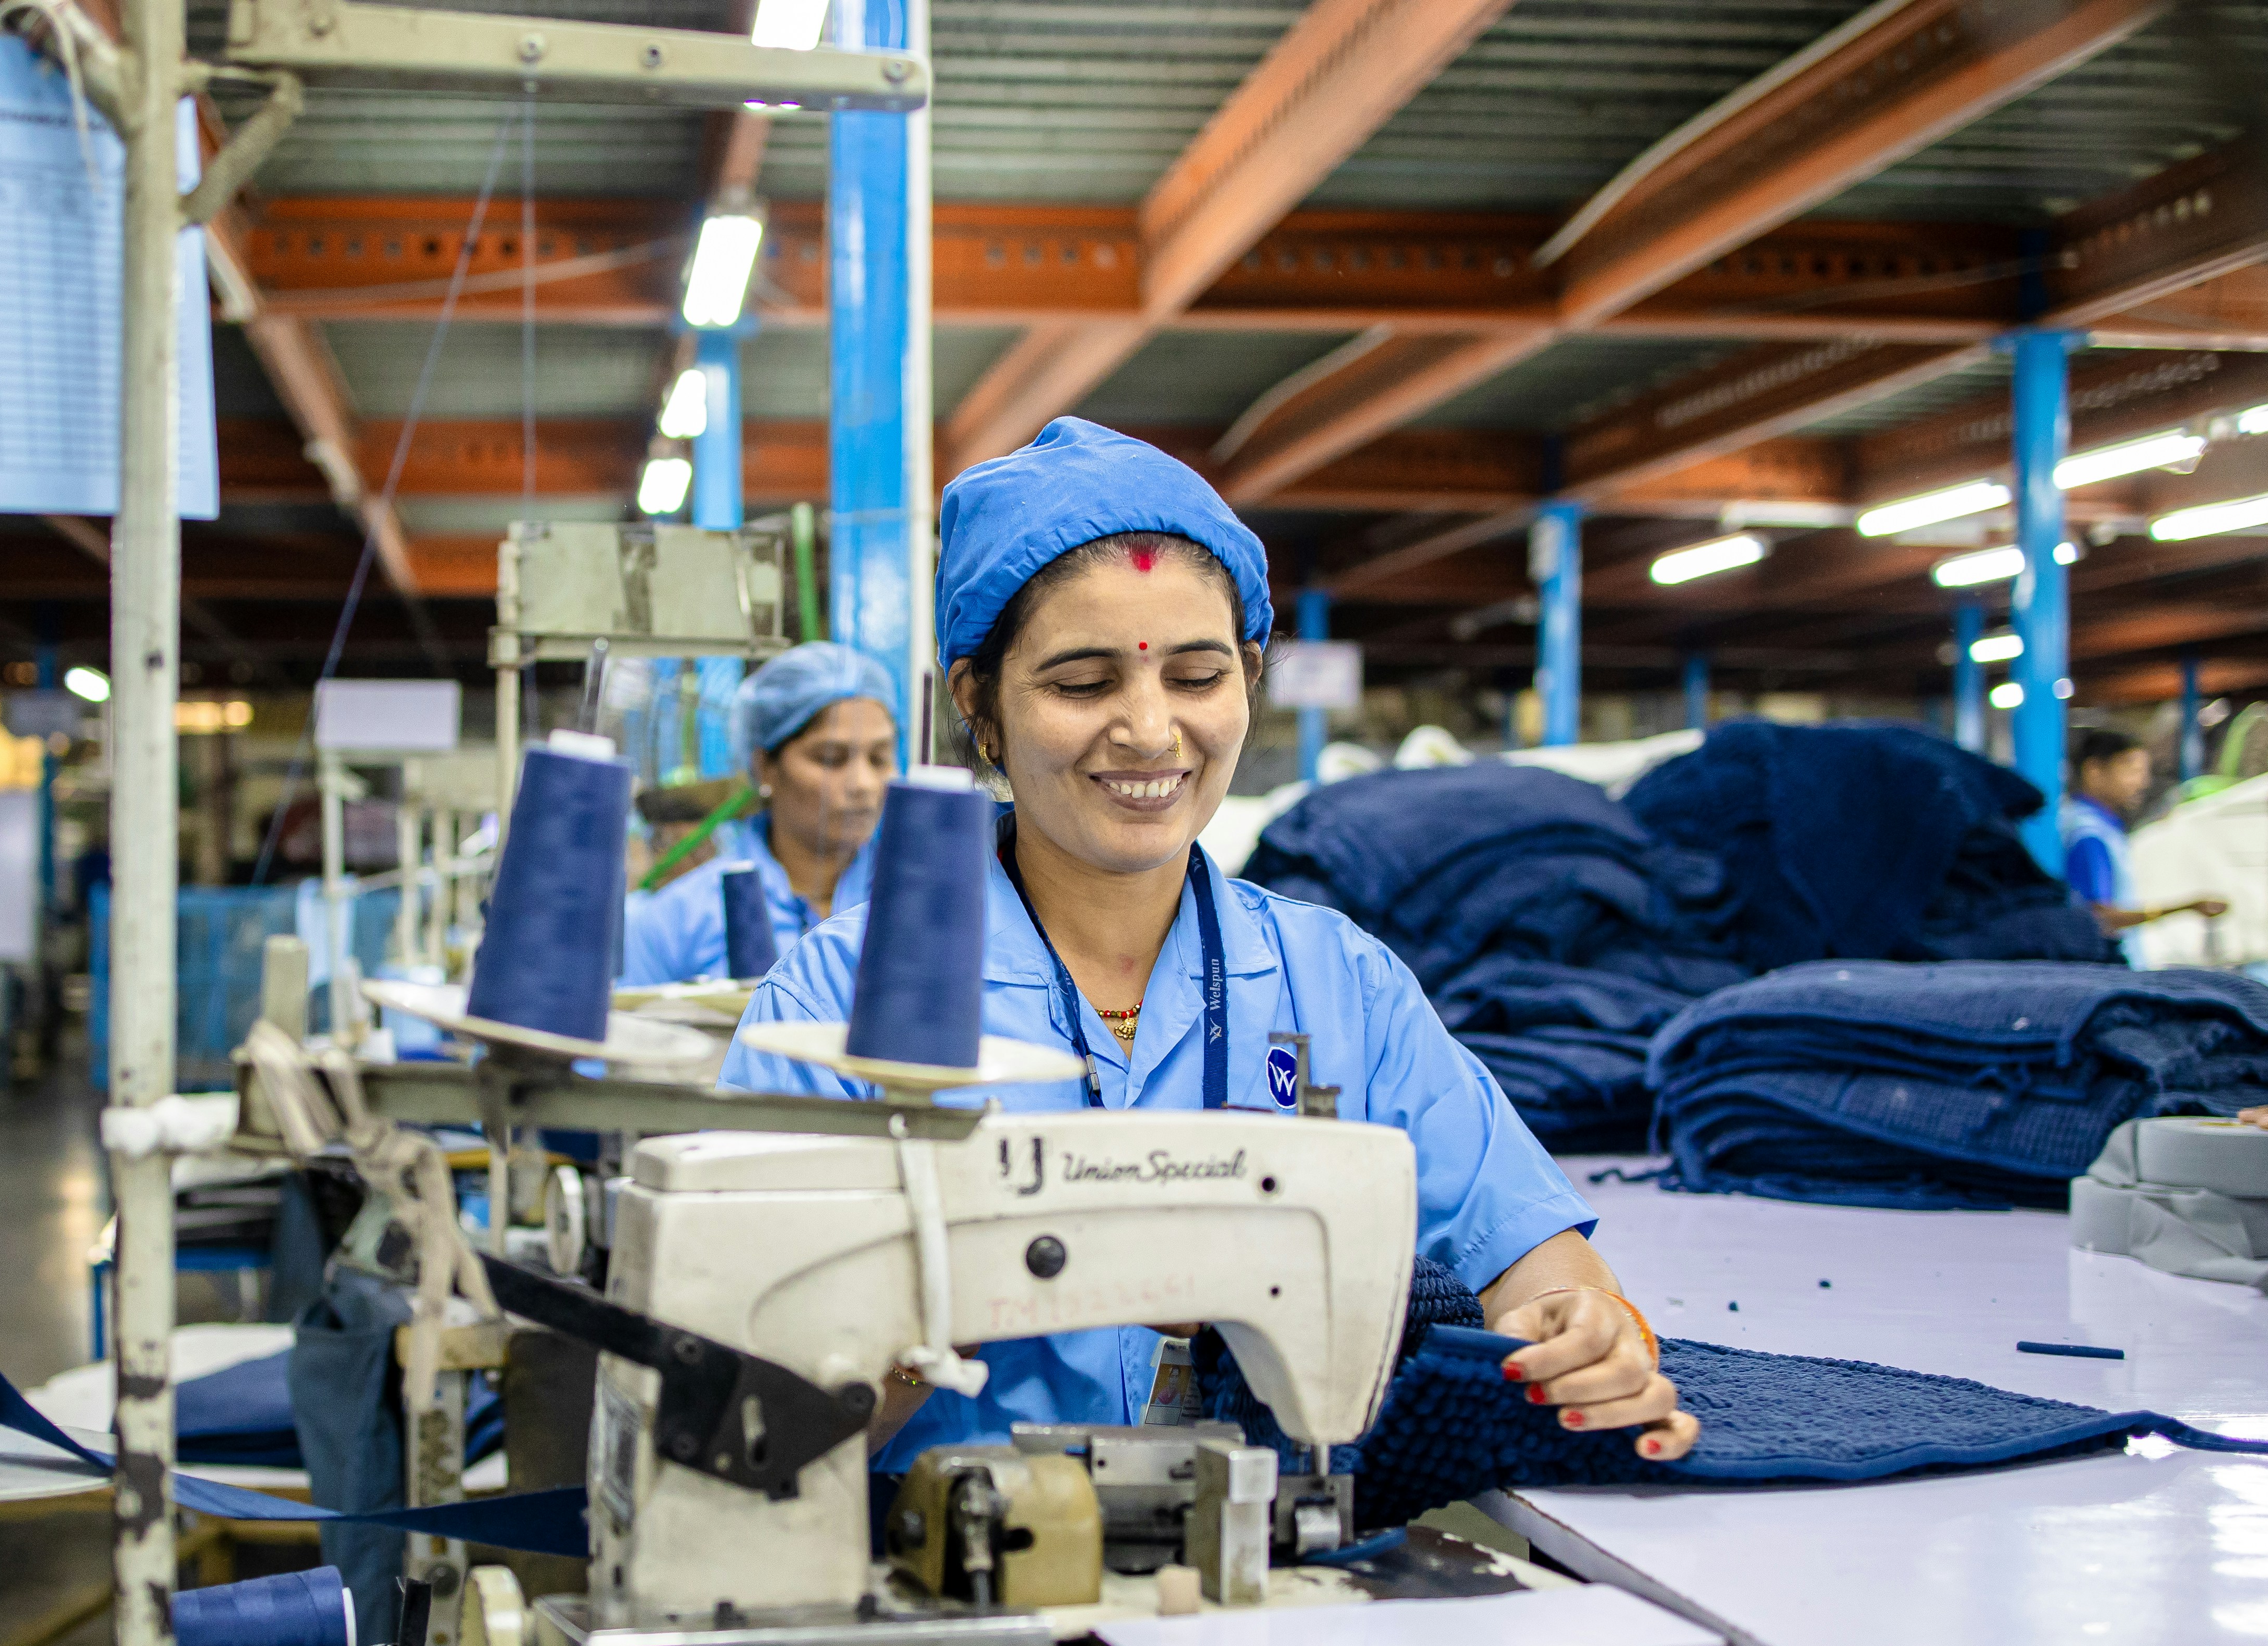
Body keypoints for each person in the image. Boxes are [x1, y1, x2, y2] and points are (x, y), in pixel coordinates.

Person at [720, 418, 1695, 1470]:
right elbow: (742, 1427)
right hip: (941, 1602)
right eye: (1083, 684)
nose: (1149, 731)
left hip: (1271, 1585)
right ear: (980, 706)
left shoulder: (1343, 988)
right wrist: (938, 1308)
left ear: (1250, 674)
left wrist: (1584, 1330)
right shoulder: (834, 1003)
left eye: (1194, 677)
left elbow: (1539, 1268)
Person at [620, 643, 897, 986]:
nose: (863, 784)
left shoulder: (909, 908)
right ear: (764, 766)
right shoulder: (676, 924)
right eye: (830, 759)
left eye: (880, 758)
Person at [2061, 728, 2227, 964]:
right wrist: (2183, 908)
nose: (2142, 782)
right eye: (2132, 771)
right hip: (2105, 972)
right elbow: (2097, 918)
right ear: (2095, 771)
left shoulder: (2091, 824)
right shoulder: (2090, 836)